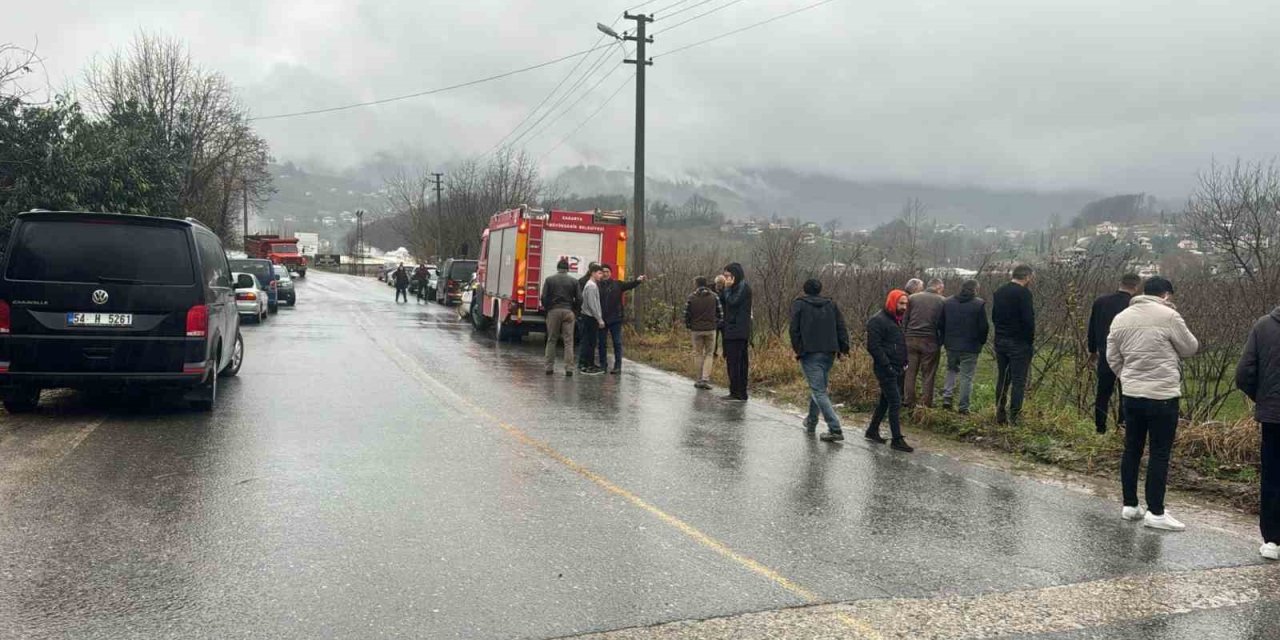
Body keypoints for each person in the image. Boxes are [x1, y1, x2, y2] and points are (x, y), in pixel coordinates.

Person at [1108, 276, 1198, 531]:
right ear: (1166, 295)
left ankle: (1129, 505)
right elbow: (1190, 347)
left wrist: (1127, 376)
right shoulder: (1168, 316)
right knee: (1159, 452)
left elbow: (1112, 356)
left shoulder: (1121, 317)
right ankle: (1156, 511)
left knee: (1132, 448)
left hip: (1132, 394)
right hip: (1162, 395)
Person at [1235, 303, 1280, 560]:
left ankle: (1273, 539)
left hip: (1273, 415)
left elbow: (1244, 373)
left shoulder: (1264, 325)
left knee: (1273, 476)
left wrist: (1262, 398)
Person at [790, 279, 851, 442]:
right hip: (829, 351)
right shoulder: (831, 304)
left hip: (810, 352)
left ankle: (835, 428)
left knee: (818, 391)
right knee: (818, 388)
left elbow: (794, 329)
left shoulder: (799, 304)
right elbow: (841, 326)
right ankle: (811, 421)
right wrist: (844, 348)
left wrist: (798, 349)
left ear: (805, 289)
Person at [1089, 273, 1141, 433]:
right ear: (1137, 287)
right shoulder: (1134, 307)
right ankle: (1122, 426)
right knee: (1126, 392)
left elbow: (1092, 329)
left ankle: (1100, 427)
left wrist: (1092, 351)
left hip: (1105, 353)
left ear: (1120, 283)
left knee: (1103, 393)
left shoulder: (1101, 302)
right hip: (1128, 355)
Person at [865, 289, 913, 452]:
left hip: (898, 368)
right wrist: (888, 366)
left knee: (885, 401)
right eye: (901, 303)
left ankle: (872, 430)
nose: (904, 307)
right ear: (892, 302)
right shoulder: (877, 320)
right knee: (895, 401)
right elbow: (873, 347)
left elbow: (898, 343)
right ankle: (897, 439)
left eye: (906, 304)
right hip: (886, 369)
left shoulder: (896, 319)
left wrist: (905, 361)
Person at [991, 264, 1035, 425]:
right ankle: (1014, 417)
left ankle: (1000, 413)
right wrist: (1029, 341)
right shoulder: (1024, 294)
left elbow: (994, 316)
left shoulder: (1000, 291)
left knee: (1002, 378)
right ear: (1027, 277)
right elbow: (1028, 320)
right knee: (1018, 381)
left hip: (1001, 339)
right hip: (1019, 342)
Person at [938, 279, 989, 414]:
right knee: (967, 376)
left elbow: (941, 323)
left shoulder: (948, 302)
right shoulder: (979, 304)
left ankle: (947, 398)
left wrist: (944, 339)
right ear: (976, 289)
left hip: (951, 344)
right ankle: (963, 407)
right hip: (971, 346)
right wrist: (981, 342)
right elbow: (983, 327)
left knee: (951, 370)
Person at [903, 278, 946, 408]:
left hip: (911, 339)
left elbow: (905, 319)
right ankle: (926, 404)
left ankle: (909, 401)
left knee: (910, 372)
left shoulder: (913, 298)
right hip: (930, 340)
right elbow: (943, 324)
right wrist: (940, 341)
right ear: (939, 287)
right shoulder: (943, 301)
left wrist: (904, 335)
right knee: (928, 373)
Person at [596, 265, 647, 374]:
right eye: (603, 272)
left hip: (615, 318)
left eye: (607, 271)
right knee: (601, 343)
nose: (605, 274)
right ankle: (603, 365)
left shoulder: (617, 284)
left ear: (610, 273)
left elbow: (630, 285)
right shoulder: (597, 285)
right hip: (601, 319)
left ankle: (617, 366)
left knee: (617, 343)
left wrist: (638, 281)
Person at [542, 259, 581, 377]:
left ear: (557, 268)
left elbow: (543, 297)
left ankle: (549, 367)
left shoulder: (549, 280)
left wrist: (548, 308)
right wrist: (574, 311)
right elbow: (579, 298)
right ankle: (569, 368)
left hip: (554, 311)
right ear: (568, 269)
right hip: (568, 311)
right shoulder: (574, 281)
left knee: (551, 339)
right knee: (569, 341)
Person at [720, 263, 753, 402]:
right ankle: (735, 390)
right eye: (725, 276)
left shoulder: (743, 288)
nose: (726, 279)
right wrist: (724, 290)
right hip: (731, 329)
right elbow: (723, 303)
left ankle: (739, 392)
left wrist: (727, 290)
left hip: (737, 330)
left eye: (728, 276)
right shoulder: (733, 288)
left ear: (735, 275)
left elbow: (733, 302)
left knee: (737, 363)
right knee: (733, 362)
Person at [685, 276, 722, 390]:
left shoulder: (691, 297)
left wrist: (689, 325)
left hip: (696, 330)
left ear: (696, 284)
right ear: (706, 284)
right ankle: (705, 378)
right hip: (710, 329)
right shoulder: (714, 296)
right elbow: (720, 313)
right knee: (709, 354)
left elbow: (686, 315)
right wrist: (715, 323)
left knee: (698, 354)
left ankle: (699, 379)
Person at [577, 265, 606, 375]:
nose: (601, 275)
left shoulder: (592, 285)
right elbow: (592, 304)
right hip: (589, 317)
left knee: (590, 342)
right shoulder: (591, 286)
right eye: (599, 273)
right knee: (588, 342)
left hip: (590, 317)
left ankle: (589, 363)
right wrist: (599, 319)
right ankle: (585, 365)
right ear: (593, 273)